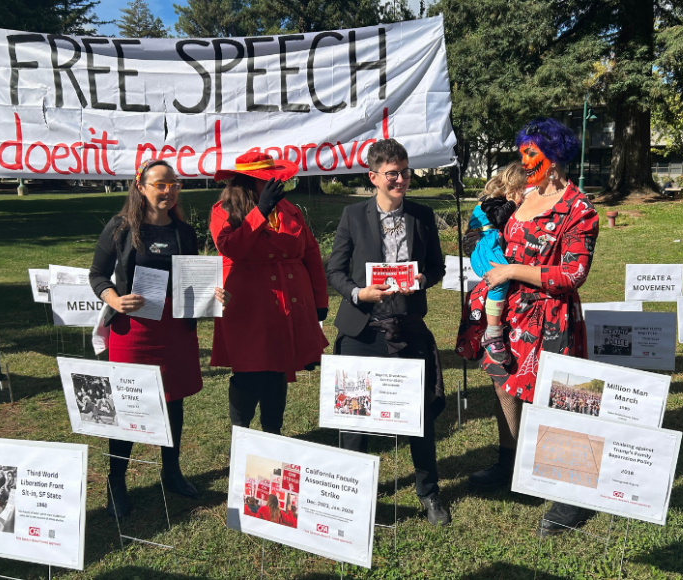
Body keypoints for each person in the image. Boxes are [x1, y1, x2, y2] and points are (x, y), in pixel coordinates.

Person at [465, 118, 599, 537]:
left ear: (555, 157)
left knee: (560, 399)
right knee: (504, 383)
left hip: (552, 316)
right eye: (522, 152)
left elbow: (574, 274)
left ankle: (571, 494)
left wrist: (511, 271)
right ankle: (511, 464)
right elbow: (495, 238)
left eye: (532, 154)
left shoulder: (578, 209)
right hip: (510, 313)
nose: (524, 162)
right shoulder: (522, 196)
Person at [90, 159, 230, 518]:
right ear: (141, 187)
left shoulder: (183, 231)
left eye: (174, 185)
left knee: (173, 401)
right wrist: (114, 300)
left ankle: (171, 471)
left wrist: (210, 295)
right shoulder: (121, 228)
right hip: (132, 331)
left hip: (174, 331)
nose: (168, 191)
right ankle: (116, 481)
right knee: (128, 406)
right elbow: (97, 275)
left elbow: (191, 280)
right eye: (160, 185)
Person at [326, 138, 450, 526]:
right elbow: (335, 270)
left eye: (405, 172)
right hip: (362, 331)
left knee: (419, 416)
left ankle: (429, 492)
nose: (400, 180)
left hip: (407, 326)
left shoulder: (422, 215)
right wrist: (358, 292)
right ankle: (354, 495)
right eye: (392, 174)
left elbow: (437, 268)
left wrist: (421, 281)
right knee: (355, 416)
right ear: (374, 177)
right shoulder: (352, 215)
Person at [210, 152, 328, 436]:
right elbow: (230, 248)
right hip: (248, 304)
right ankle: (242, 431)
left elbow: (310, 253)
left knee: (278, 371)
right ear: (248, 182)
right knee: (250, 371)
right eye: (266, 179)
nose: (274, 182)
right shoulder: (223, 210)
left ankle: (272, 433)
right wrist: (259, 212)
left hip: (288, 301)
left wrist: (319, 300)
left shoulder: (288, 208)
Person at [466, 162, 527, 371]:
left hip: (491, 245)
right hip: (485, 245)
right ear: (512, 186)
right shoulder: (492, 201)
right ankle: (492, 333)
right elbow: (498, 218)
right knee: (499, 278)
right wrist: (512, 202)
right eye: (522, 190)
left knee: (504, 279)